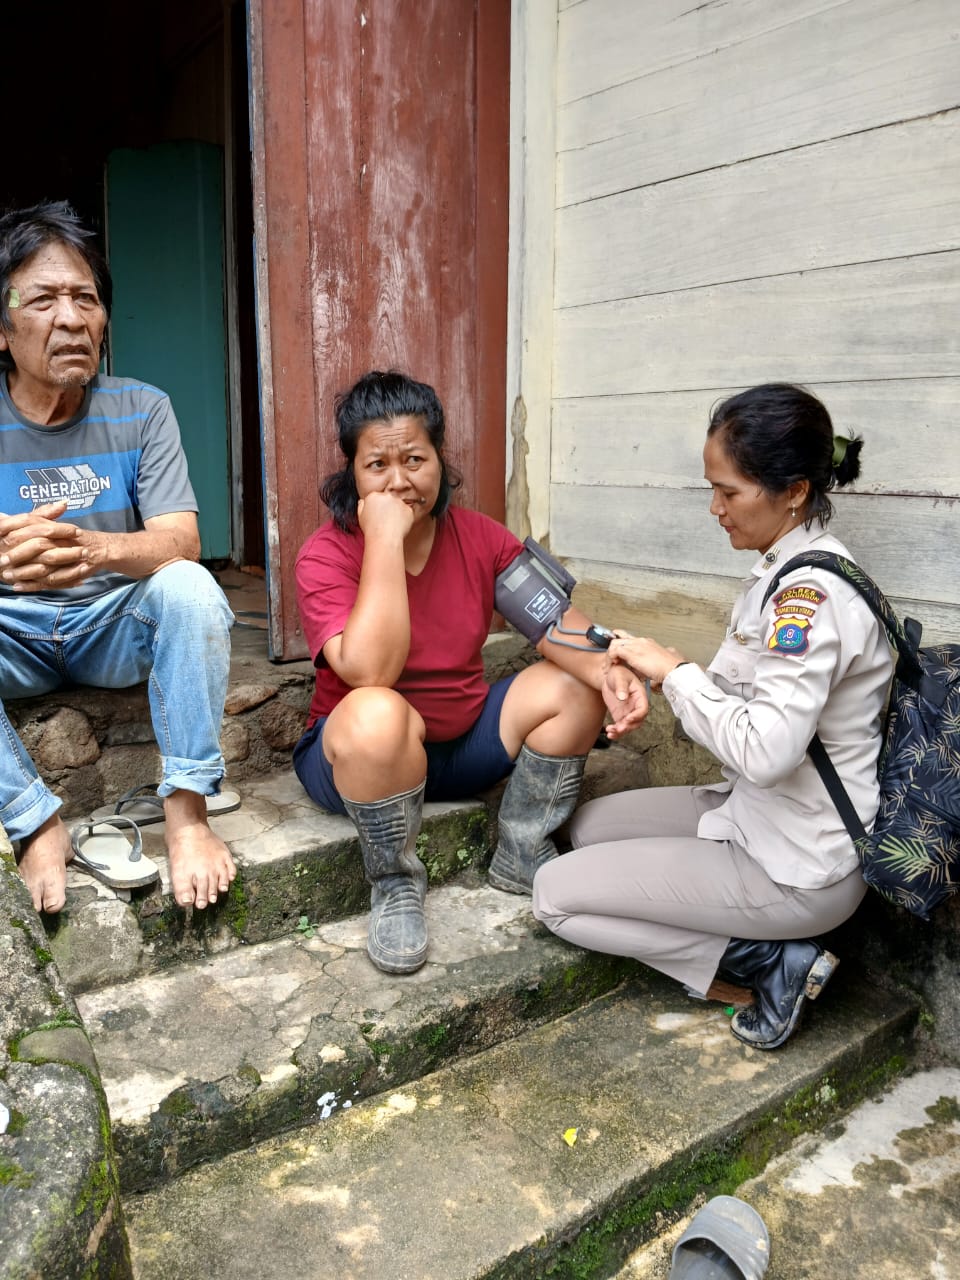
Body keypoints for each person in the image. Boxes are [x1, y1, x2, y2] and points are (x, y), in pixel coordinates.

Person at [533, 383, 894, 1050]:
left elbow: (764, 750)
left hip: (796, 865)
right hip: (756, 814)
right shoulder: (783, 571)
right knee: (586, 827)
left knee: (554, 895)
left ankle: (772, 964)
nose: (715, 508)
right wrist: (657, 671)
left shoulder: (809, 599)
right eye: (714, 488)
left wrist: (676, 675)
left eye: (729, 492)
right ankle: (762, 948)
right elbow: (739, 697)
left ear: (794, 491)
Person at [293, 370, 646, 975]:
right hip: (360, 759)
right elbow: (371, 671)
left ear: (440, 459)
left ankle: (521, 848)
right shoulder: (326, 553)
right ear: (351, 472)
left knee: (576, 683)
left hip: (462, 746)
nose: (400, 480)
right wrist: (383, 542)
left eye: (415, 459)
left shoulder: (481, 538)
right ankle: (396, 884)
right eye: (377, 464)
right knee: (379, 711)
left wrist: (610, 667)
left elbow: (552, 622)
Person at [0, 201, 236, 914]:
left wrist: (89, 549)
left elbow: (180, 540)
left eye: (87, 298)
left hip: (110, 625)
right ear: (2, 328)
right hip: (13, 632)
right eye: (42, 299)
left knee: (191, 588)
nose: (71, 318)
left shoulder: (142, 407)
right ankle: (36, 821)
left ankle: (187, 813)